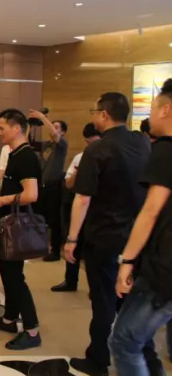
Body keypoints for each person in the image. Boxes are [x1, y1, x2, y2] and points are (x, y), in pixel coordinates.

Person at [64, 92, 151, 376]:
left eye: (94, 111)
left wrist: (72, 239)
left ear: (103, 115)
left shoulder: (97, 150)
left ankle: (98, 358)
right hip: (137, 236)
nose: (93, 116)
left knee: (103, 300)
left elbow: (82, 198)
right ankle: (141, 356)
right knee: (131, 299)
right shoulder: (142, 143)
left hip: (103, 236)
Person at [109, 79, 172, 376]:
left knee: (124, 341)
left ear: (166, 110)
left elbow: (150, 211)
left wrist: (127, 260)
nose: (150, 116)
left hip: (163, 268)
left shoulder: (166, 149)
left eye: (152, 109)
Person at [0, 109, 42, 350]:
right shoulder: (14, 154)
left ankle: (32, 329)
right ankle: (9, 318)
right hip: (7, 224)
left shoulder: (25, 157)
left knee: (15, 277)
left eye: (2, 128)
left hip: (16, 227)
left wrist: (2, 200)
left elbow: (31, 194)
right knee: (8, 274)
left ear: (17, 128)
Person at [51, 123, 101, 292]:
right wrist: (79, 172)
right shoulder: (80, 157)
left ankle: (95, 287)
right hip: (78, 204)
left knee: (93, 250)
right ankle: (70, 280)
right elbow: (68, 183)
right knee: (73, 242)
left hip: (97, 208)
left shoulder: (106, 156)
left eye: (93, 141)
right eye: (88, 141)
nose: (90, 145)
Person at [28, 110, 69, 262]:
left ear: (63, 132)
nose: (54, 129)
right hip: (42, 185)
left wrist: (42, 117)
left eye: (57, 127)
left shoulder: (62, 144)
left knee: (54, 219)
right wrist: (31, 125)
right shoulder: (46, 145)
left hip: (54, 185)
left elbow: (55, 134)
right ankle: (40, 246)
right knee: (39, 217)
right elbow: (29, 142)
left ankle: (55, 251)